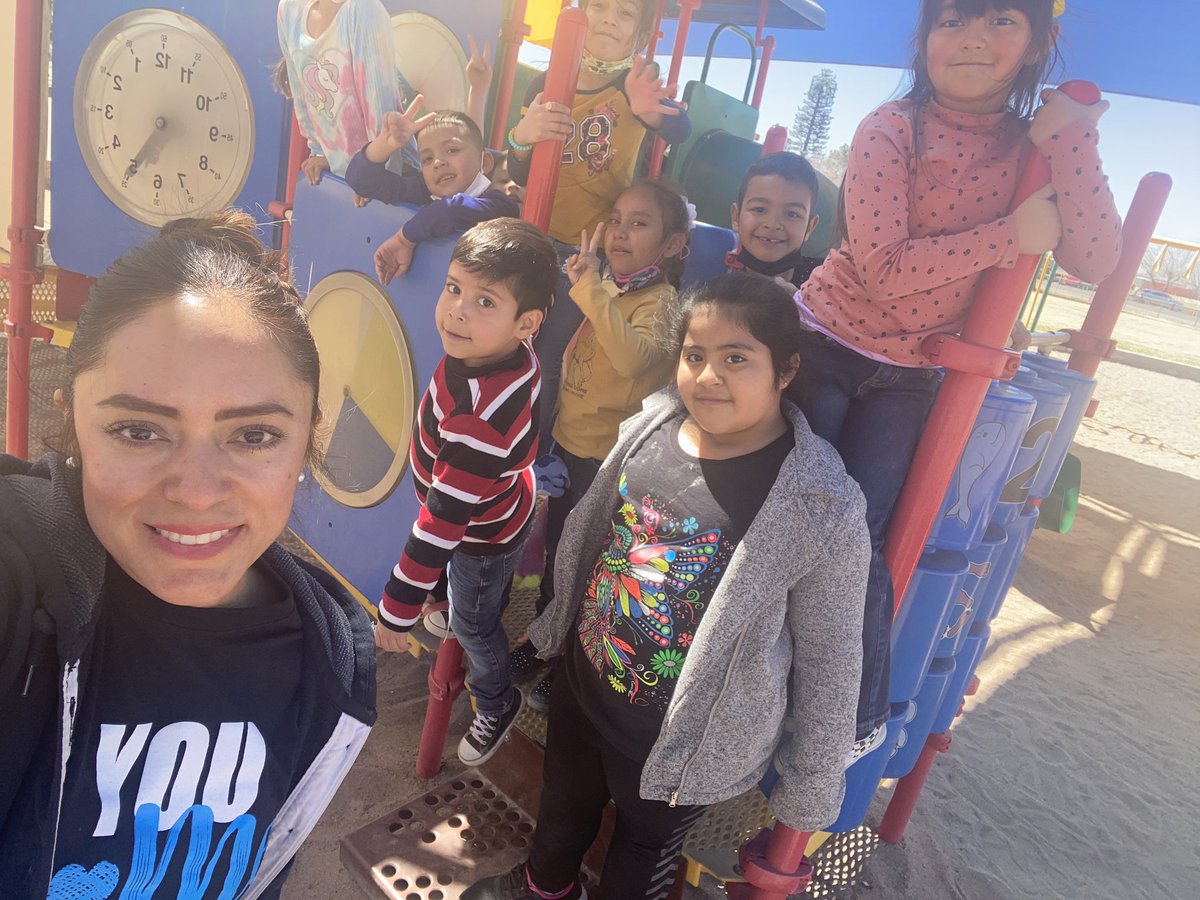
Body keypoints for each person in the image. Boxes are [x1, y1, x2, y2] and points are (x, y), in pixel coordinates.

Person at [0, 211, 377, 898]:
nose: (197, 493)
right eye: (138, 430)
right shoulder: (20, 583)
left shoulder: (331, 658)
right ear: (74, 425)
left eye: (255, 435)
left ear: (306, 439)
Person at [463, 273, 871, 900]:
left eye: (737, 359)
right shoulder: (652, 428)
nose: (709, 376)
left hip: (682, 740)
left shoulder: (819, 504)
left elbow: (832, 653)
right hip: (585, 682)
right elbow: (591, 537)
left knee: (642, 848)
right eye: (695, 355)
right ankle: (543, 889)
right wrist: (555, 634)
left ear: (785, 370)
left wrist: (811, 785)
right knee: (562, 804)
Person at [795, 0, 1123, 753]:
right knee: (789, 505)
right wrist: (1011, 234)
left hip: (912, 371)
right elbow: (881, 272)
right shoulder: (893, 127)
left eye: (1001, 19)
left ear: (1038, 42)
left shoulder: (1029, 146)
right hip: (827, 342)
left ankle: (851, 721)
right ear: (926, 40)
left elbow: (1096, 258)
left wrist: (1071, 137)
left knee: (864, 533)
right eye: (953, 21)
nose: (973, 37)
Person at [374, 219, 558, 766]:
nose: (457, 309)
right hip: (500, 499)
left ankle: (496, 702)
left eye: (484, 301)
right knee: (472, 597)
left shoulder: (480, 422)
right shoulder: (496, 354)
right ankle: (460, 604)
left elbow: (441, 527)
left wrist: (396, 609)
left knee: (477, 626)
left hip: (480, 533)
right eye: (454, 288)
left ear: (526, 323)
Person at [510, 180, 690, 713]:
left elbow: (635, 359)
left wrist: (589, 290)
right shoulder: (613, 286)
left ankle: (568, 662)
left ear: (673, 245)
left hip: (607, 462)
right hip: (572, 444)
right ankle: (544, 639)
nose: (620, 232)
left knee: (589, 567)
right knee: (561, 557)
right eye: (616, 219)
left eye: (640, 224)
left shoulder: (661, 302)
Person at [504, 0, 691, 445]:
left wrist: (655, 112)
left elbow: (680, 129)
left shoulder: (631, 87)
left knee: (550, 354)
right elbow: (520, 172)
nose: (609, 17)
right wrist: (520, 137)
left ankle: (532, 449)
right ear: (577, 14)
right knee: (511, 340)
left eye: (626, 13)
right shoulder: (542, 83)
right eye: (599, 6)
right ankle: (497, 432)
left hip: (586, 253)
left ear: (639, 36)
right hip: (534, 235)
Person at [345, 108, 520, 283]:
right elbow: (361, 181)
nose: (438, 162)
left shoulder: (500, 205)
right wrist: (385, 145)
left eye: (452, 150)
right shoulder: (423, 192)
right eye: (427, 159)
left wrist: (404, 239)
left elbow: (450, 211)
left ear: (486, 162)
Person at [277, 0, 413, 181]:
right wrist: (320, 153)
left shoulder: (363, 9)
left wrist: (376, 174)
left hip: (389, 173)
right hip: (346, 174)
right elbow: (302, 95)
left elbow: (381, 109)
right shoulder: (289, 9)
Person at [726, 151, 825, 290]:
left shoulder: (828, 282)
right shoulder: (716, 285)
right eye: (759, 210)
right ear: (736, 217)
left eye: (792, 214)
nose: (772, 225)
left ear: (810, 227)